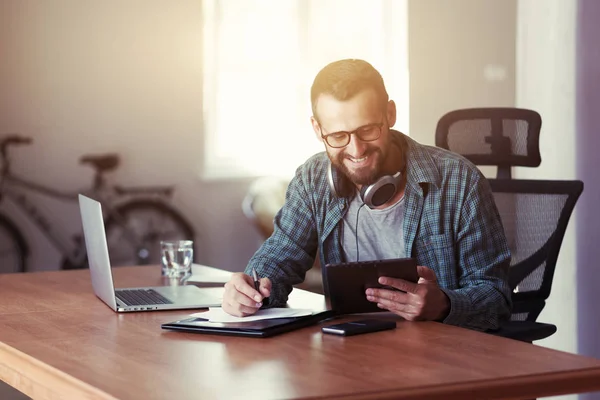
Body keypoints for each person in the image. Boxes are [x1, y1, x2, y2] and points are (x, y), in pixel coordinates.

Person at [222, 59, 512, 331]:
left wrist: (445, 305)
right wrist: (250, 291)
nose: (356, 150)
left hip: (440, 352)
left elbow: (497, 299)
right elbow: (279, 258)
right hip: (351, 348)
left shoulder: (459, 181)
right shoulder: (313, 179)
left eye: (368, 130)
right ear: (317, 129)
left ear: (390, 114)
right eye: (338, 137)